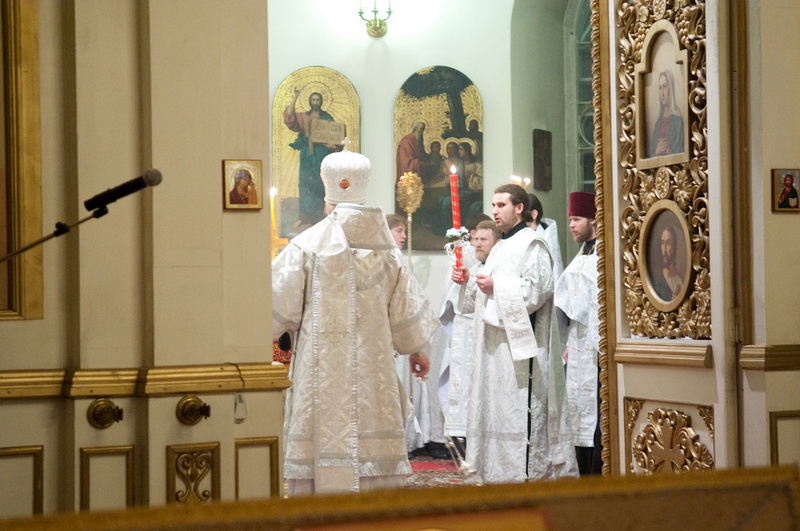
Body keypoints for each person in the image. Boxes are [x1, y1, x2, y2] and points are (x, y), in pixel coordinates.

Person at [272, 144, 440, 496]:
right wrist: (419, 352)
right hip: (371, 373)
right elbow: (406, 315)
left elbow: (277, 311)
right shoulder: (387, 251)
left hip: (318, 373)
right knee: (371, 441)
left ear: (327, 197)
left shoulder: (305, 245)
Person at [452, 184, 578, 484]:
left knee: (519, 414)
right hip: (493, 350)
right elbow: (477, 301)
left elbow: (537, 291)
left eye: (501, 205)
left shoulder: (533, 244)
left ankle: (523, 478)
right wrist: (469, 280)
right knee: (494, 410)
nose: (494, 211)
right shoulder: (500, 247)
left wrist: (496, 285)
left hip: (520, 353)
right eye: (493, 205)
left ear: (519, 208)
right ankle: (494, 476)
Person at [437, 218, 498, 458]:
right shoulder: (473, 267)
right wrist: (464, 283)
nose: (478, 244)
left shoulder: (497, 268)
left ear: (496, 242)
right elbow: (460, 304)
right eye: (476, 239)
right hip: (467, 339)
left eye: (484, 239)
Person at [554, 191, 602, 476]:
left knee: (595, 413)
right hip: (577, 343)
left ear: (593, 220)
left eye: (576, 219)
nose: (571, 225)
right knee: (576, 413)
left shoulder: (602, 254)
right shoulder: (582, 253)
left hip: (595, 346)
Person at [283, 88, 337, 226]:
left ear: (321, 101)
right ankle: (305, 217)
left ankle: (320, 216)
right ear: (310, 101)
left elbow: (335, 136)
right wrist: (295, 97)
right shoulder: (304, 117)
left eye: (318, 100)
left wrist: (332, 145)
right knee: (305, 182)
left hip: (322, 153)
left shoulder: (327, 118)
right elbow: (289, 117)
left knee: (320, 183)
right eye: (313, 100)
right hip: (307, 153)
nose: (315, 102)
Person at [649, 69, 684, 158]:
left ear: (670, 88)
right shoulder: (658, 123)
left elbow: (680, 151)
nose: (662, 93)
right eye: (660, 88)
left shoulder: (678, 121)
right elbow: (651, 154)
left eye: (665, 86)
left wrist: (669, 153)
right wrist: (657, 151)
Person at [651, 223, 683, 301]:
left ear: (674, 247)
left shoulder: (679, 281)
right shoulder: (658, 279)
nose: (664, 250)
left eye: (668, 243)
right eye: (662, 243)